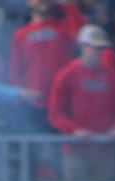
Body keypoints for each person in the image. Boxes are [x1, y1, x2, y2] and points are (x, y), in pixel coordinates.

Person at [47, 24, 115, 181]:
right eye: (94, 48)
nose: (98, 52)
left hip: (104, 149)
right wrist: (75, 130)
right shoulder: (67, 75)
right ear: (83, 46)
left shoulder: (110, 75)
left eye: (101, 48)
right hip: (76, 150)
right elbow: (56, 114)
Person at [9, 0, 79, 131]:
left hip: (62, 103)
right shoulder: (20, 35)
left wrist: (68, 6)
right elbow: (15, 70)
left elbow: (81, 34)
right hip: (35, 103)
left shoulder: (64, 27)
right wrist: (19, 97)